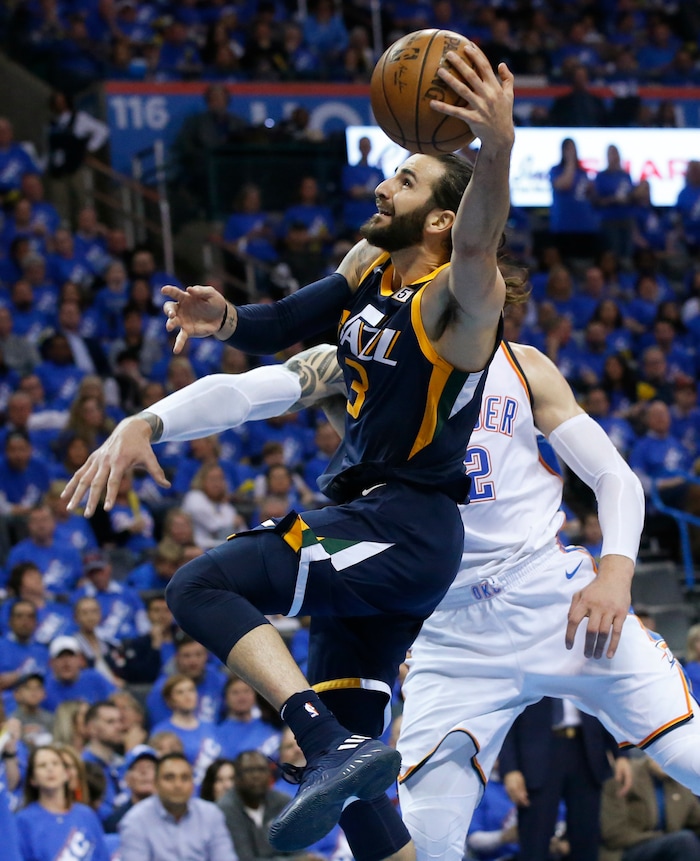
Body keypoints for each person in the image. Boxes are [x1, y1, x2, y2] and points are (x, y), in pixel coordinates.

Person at [64, 40, 514, 859]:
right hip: (374, 521)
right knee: (351, 789)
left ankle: (318, 731)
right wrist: (224, 319)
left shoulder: (459, 304)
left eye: (406, 180)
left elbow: (481, 244)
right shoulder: (369, 268)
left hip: (406, 522)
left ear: (443, 218)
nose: (383, 185)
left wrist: (498, 150)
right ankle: (332, 744)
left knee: (199, 583)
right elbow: (282, 322)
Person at [498, 697, 631, 861]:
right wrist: (510, 768)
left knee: (586, 838)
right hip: (535, 754)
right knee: (535, 840)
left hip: (586, 749)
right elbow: (508, 710)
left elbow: (605, 700)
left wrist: (621, 752)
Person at [118, 751, 238, 861]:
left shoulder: (211, 815)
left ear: (193, 784)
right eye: (169, 778)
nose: (178, 785)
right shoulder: (135, 821)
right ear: (156, 783)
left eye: (185, 778)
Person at [217, 748, 322, 861]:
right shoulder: (226, 808)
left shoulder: (283, 802)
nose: (256, 776)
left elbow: (297, 851)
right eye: (249, 770)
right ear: (237, 777)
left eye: (261, 769)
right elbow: (244, 858)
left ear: (269, 774)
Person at [15, 744, 110, 861]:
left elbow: (102, 856)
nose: (50, 769)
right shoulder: (24, 821)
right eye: (42, 765)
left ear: (66, 774)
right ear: (32, 779)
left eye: (55, 763)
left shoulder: (86, 814)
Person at [599, 755, 700, 861]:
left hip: (669, 846)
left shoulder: (680, 782)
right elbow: (613, 833)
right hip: (625, 851)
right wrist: (661, 838)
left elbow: (696, 820)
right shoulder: (626, 774)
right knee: (684, 841)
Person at [104, 743, 158, 833]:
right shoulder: (116, 821)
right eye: (137, 768)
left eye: (150, 767)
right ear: (126, 778)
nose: (144, 772)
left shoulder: (173, 814)